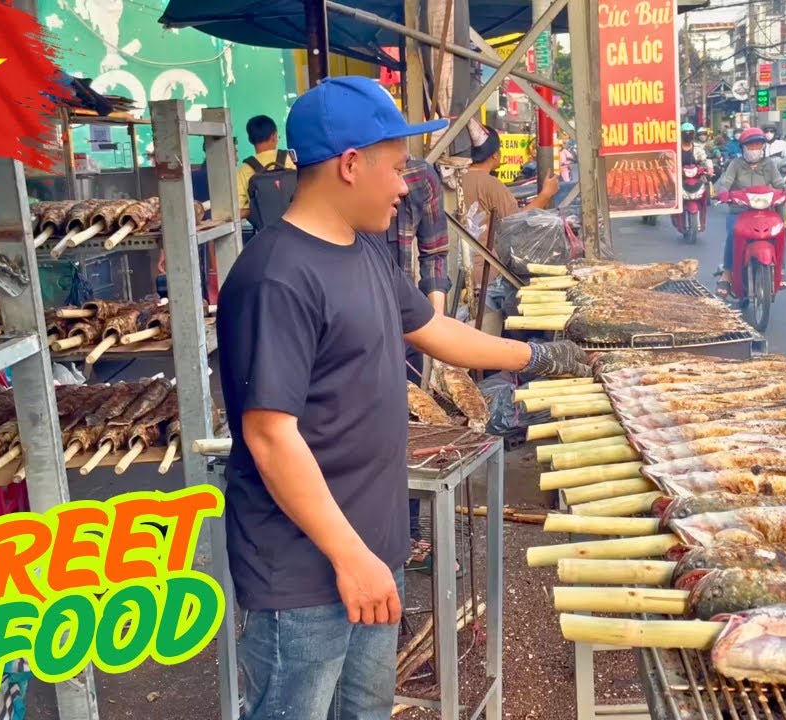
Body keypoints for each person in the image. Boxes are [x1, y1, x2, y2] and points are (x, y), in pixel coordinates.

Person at [216, 76, 590, 720]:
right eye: (395, 169)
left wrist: (538, 356)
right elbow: (269, 436)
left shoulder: (362, 251)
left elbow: (434, 330)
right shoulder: (275, 277)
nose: (403, 187)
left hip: (371, 544)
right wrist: (349, 556)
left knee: (365, 710)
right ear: (350, 164)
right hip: (304, 568)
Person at [380, 156, 452, 569]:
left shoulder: (420, 176)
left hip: (408, 317)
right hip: (359, 318)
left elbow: (435, 252)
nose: (400, 186)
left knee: (409, 425)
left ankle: (408, 537)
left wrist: (435, 325)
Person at [460, 124, 558, 328]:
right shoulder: (489, 184)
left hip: (459, 271)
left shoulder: (456, 179)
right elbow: (515, 222)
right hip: (487, 275)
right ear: (494, 155)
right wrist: (545, 195)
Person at [713, 128, 786, 297]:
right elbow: (726, 182)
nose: (754, 149)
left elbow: (778, 182)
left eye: (758, 145)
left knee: (780, 232)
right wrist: (724, 193)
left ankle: (781, 268)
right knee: (733, 234)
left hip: (765, 211)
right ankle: (727, 273)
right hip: (740, 211)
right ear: (743, 148)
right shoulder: (735, 164)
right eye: (751, 146)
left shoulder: (770, 164)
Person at [237, 115, 294, 221]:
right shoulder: (291, 159)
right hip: (299, 226)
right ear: (274, 136)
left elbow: (239, 211)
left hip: (267, 233)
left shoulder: (244, 170)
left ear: (250, 140)